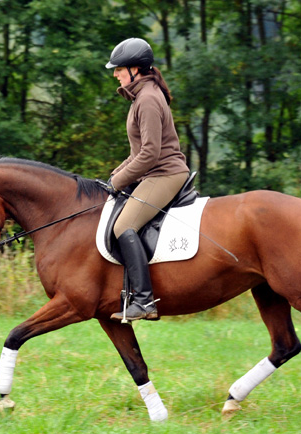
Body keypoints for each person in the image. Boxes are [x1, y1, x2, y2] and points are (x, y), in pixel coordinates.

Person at [105, 37, 190, 322]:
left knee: (123, 225)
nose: (115, 74)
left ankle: (144, 301)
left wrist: (117, 183)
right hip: (154, 171)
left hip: (165, 173)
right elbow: (137, 153)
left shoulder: (149, 99)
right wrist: (114, 175)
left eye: (118, 69)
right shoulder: (142, 96)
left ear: (135, 69)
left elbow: (151, 154)